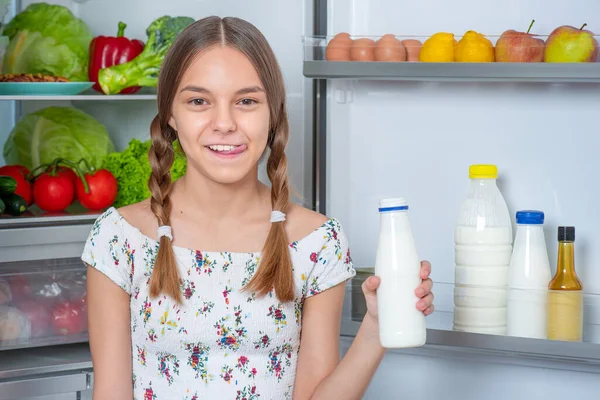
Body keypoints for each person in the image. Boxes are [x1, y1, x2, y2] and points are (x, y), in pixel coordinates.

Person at [82, 15, 434, 400]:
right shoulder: (119, 239)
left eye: (246, 101)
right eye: (199, 101)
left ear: (273, 114)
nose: (224, 123)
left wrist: (375, 327)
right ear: (170, 114)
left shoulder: (317, 242)